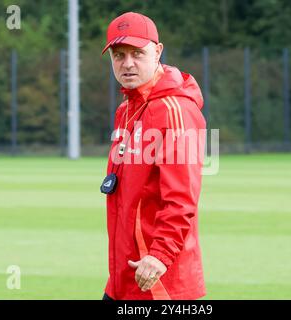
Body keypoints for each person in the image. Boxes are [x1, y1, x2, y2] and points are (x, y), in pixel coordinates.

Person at [100, 11, 206, 300]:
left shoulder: (175, 110)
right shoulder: (126, 109)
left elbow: (181, 198)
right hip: (124, 276)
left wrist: (159, 255)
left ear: (158, 51)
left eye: (137, 53)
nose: (127, 63)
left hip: (159, 281)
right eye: (119, 55)